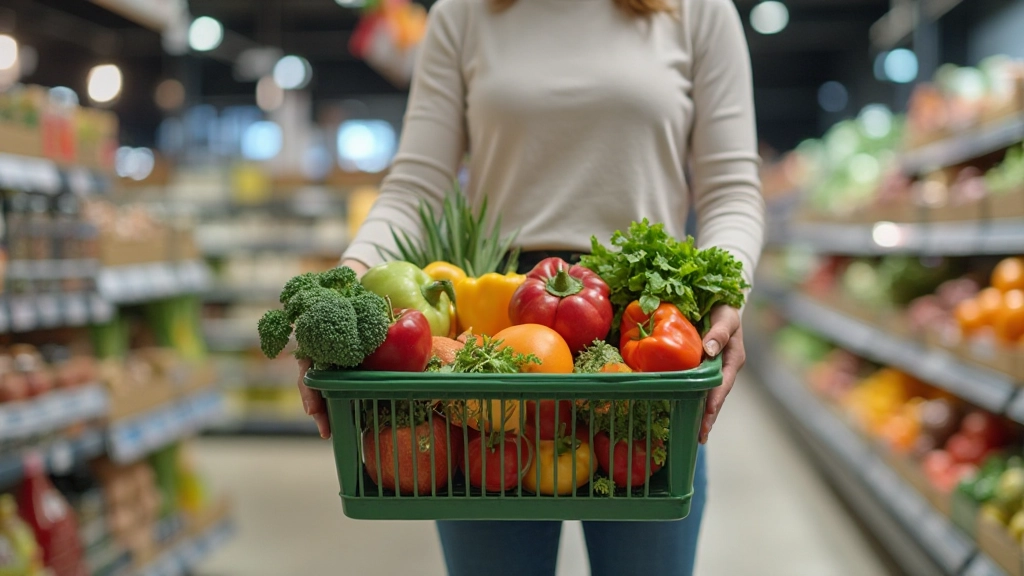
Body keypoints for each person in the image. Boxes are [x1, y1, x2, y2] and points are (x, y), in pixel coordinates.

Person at [297, 0, 764, 572]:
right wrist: (340, 292)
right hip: (498, 344)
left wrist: (727, 294)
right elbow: (415, 185)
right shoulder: (463, 13)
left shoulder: (696, 9)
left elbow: (731, 186)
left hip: (643, 349)